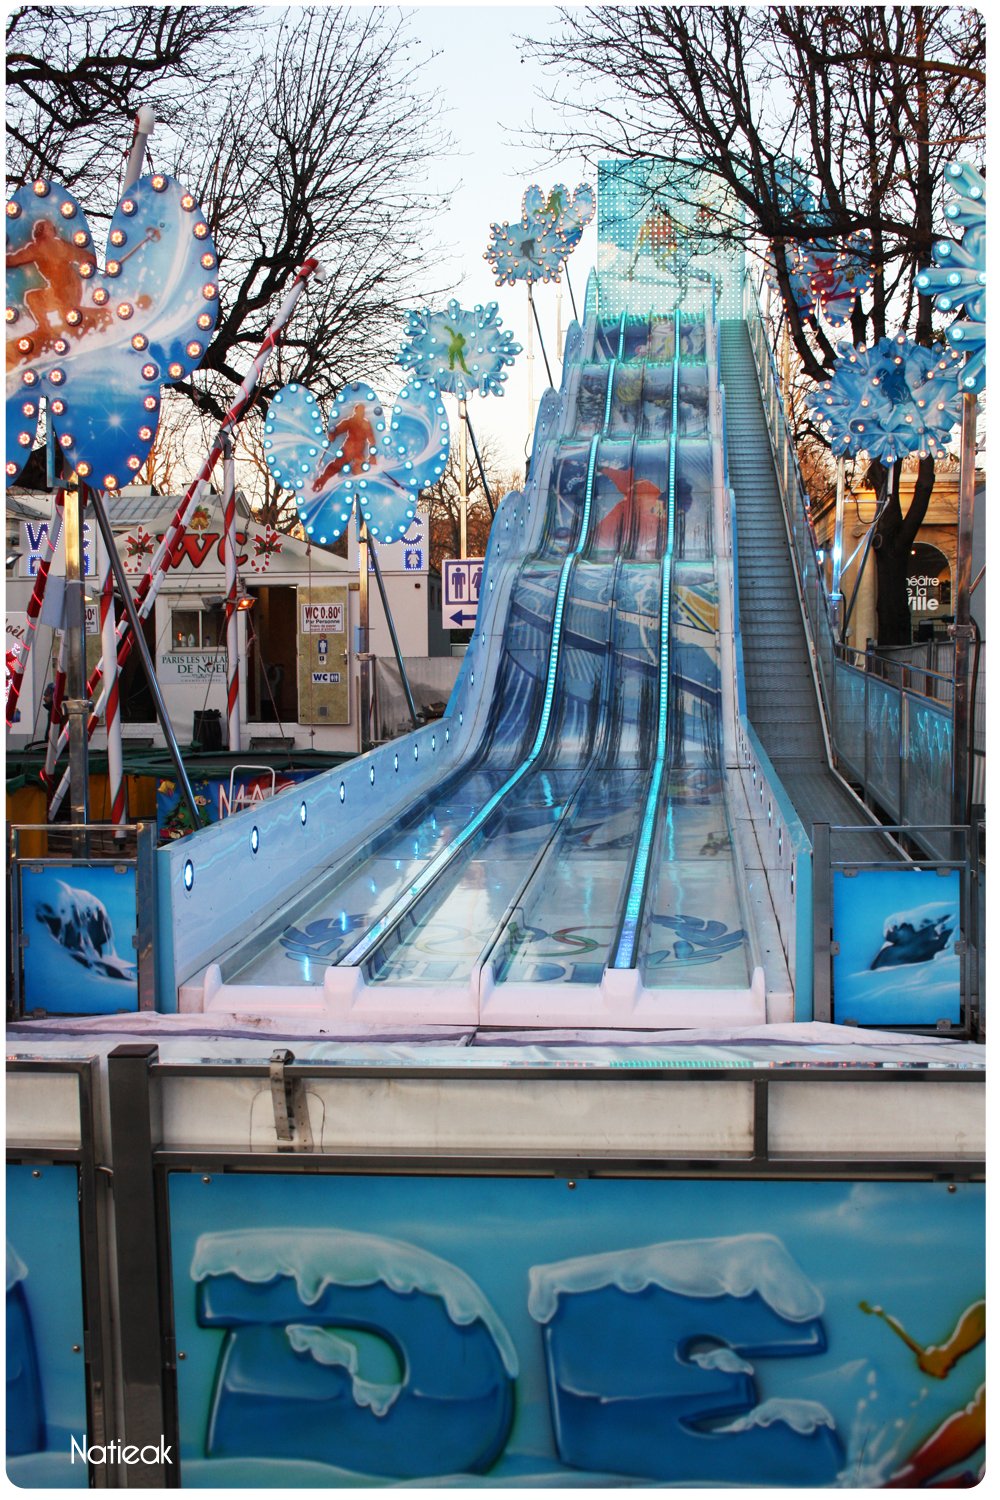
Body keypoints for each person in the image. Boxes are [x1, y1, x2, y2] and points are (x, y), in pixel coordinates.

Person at [6, 219, 96, 343]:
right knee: (35, 299)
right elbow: (84, 256)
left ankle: (51, 330)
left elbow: (13, 260)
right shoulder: (58, 245)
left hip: (66, 288)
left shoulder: (41, 248)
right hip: (67, 288)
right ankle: (47, 329)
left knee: (66, 317)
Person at [312, 404, 376, 492]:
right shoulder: (351, 421)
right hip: (348, 450)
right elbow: (338, 429)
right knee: (335, 466)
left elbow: (371, 439)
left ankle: (362, 493)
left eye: (362, 411)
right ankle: (320, 483)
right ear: (355, 411)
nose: (360, 413)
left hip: (357, 452)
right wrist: (333, 434)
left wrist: (372, 455)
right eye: (359, 411)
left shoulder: (364, 423)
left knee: (360, 472)